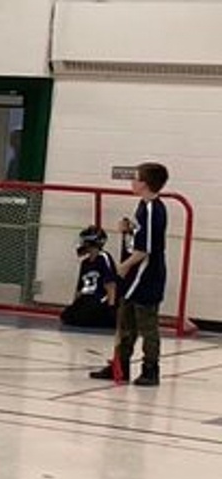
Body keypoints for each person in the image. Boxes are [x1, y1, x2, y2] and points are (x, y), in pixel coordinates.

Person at [90, 162, 169, 386]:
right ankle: (120, 366)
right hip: (135, 274)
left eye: (135, 179)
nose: (131, 182)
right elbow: (140, 236)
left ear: (144, 183)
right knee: (125, 321)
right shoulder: (142, 206)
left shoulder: (154, 209)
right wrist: (128, 229)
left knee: (147, 325)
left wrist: (124, 266)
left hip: (146, 275)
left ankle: (150, 369)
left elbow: (146, 249)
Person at [59, 225, 117, 329]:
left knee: (87, 316)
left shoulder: (104, 257)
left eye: (84, 242)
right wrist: (74, 304)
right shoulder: (84, 263)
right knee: (67, 316)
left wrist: (111, 306)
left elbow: (110, 283)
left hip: (99, 299)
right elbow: (80, 288)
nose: (81, 245)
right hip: (86, 298)